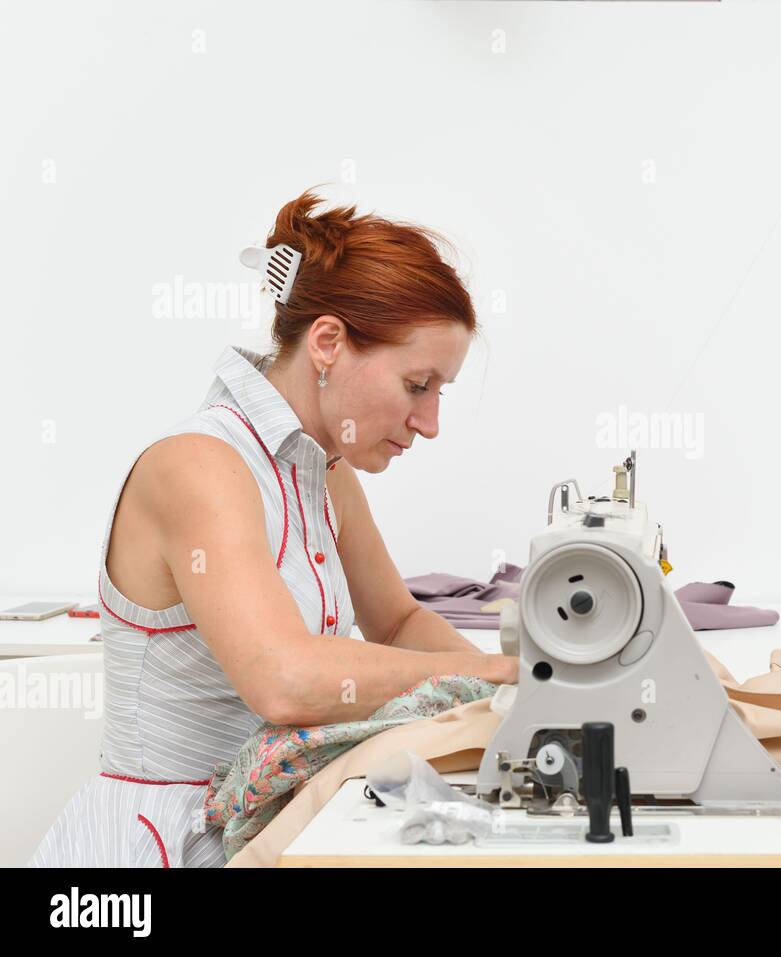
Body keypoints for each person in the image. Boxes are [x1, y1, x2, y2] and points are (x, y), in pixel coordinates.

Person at [30, 189, 517, 867]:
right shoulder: (199, 466)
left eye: (441, 392)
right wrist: (494, 672)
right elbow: (282, 678)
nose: (430, 421)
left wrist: (518, 692)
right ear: (327, 343)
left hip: (268, 824)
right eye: (417, 384)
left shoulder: (325, 472)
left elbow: (398, 621)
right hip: (163, 846)